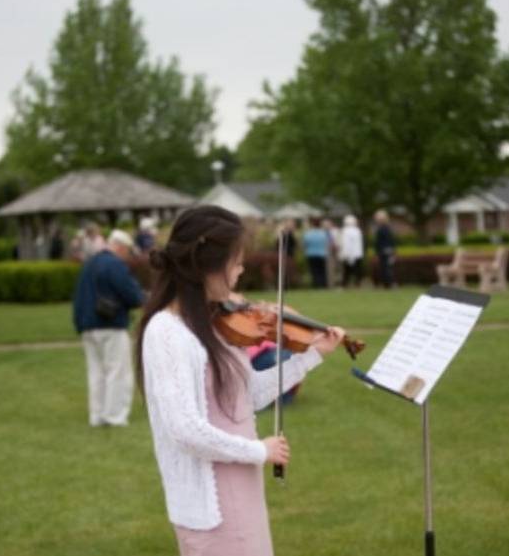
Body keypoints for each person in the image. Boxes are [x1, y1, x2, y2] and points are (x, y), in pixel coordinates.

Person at [136, 205, 346, 556]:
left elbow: (246, 396)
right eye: (235, 262)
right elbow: (184, 429)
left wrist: (311, 356)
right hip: (211, 498)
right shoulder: (167, 332)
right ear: (206, 266)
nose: (241, 271)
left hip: (239, 481)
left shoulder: (213, 321)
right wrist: (257, 450)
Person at [73, 229, 145, 427]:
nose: (127, 255)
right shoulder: (114, 264)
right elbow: (131, 294)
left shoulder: (90, 263)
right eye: (127, 251)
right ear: (120, 247)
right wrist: (143, 299)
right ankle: (114, 416)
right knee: (117, 371)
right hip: (110, 324)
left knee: (96, 372)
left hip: (88, 326)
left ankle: (97, 415)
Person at [302, 218, 329, 288]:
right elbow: (326, 244)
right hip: (321, 254)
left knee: (314, 271)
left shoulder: (308, 233)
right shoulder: (323, 233)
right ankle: (323, 284)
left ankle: (316, 284)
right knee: (322, 271)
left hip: (311, 254)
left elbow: (305, 244)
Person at [374, 209, 397, 288]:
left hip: (383, 251)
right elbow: (392, 241)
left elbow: (378, 242)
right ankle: (389, 284)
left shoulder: (381, 229)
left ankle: (388, 284)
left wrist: (377, 252)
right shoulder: (388, 228)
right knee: (388, 268)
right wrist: (393, 251)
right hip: (389, 250)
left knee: (386, 268)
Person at [340, 215, 364, 287]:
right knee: (357, 270)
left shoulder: (345, 231)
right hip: (358, 254)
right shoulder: (358, 231)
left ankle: (345, 284)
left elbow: (347, 244)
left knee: (347, 271)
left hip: (348, 254)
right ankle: (357, 284)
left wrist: (347, 255)